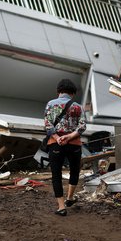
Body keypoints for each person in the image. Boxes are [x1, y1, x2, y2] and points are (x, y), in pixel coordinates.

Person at [44, 78, 86, 216]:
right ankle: (70, 198)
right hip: (74, 144)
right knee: (74, 171)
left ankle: (61, 207)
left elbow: (48, 124)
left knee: (56, 175)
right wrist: (69, 136)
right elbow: (82, 126)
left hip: (55, 144)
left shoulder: (50, 104)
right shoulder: (78, 106)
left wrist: (57, 138)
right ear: (72, 93)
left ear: (59, 92)